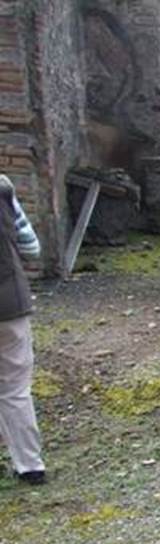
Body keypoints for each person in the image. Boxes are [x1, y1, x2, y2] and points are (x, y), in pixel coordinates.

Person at [0, 175, 45, 485]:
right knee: (15, 389)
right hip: (10, 304)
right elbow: (32, 248)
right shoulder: (3, 187)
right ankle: (30, 466)